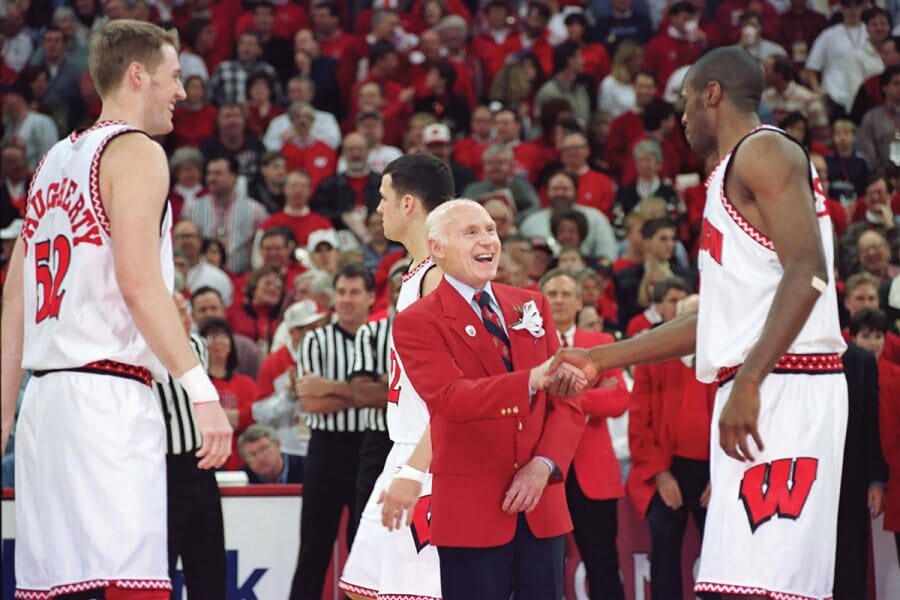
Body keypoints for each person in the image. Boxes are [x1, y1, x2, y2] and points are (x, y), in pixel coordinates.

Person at [552, 46, 848, 600]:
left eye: (686, 99)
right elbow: (714, 320)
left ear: (712, 93)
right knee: (729, 584)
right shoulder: (722, 179)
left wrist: (753, 379)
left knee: (772, 586)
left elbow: (810, 270)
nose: (682, 115)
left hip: (789, 382)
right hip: (761, 380)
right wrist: (598, 360)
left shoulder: (763, 151)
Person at [0, 19, 231, 598]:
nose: (181, 90)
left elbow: (13, 298)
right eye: (174, 76)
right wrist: (202, 392)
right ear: (138, 75)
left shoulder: (51, 161)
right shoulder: (135, 150)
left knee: (60, 590)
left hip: (45, 406)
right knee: (128, 588)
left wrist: (4, 415)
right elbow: (138, 283)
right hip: (105, 401)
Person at [392, 199, 588, 600]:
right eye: (471, 232)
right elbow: (450, 399)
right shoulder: (417, 320)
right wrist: (530, 381)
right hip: (471, 513)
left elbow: (566, 403)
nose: (488, 240)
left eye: (491, 230)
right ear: (436, 249)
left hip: (541, 506)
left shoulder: (532, 304)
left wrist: (544, 465)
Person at [339, 153, 454, 600]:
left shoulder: (440, 277)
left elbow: (454, 390)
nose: (377, 209)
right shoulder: (417, 274)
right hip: (404, 447)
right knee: (361, 588)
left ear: (409, 204)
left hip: (426, 456)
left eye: (383, 198)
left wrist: (415, 467)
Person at [289, 262, 376, 600]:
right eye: (341, 292)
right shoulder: (315, 339)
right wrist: (363, 394)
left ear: (371, 297)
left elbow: (387, 399)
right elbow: (311, 403)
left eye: (355, 292)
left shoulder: (383, 336)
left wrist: (329, 387)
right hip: (326, 450)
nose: (347, 299)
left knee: (364, 546)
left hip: (368, 448)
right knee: (314, 545)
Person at [540, 268, 628, 600]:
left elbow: (619, 399)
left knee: (603, 561)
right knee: (545, 565)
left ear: (580, 301)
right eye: (552, 293)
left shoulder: (602, 343)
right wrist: (591, 396)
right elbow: (527, 401)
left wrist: (564, 398)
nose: (559, 300)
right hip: (544, 472)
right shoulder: (530, 343)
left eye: (566, 294)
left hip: (593, 472)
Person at [156, 293, 226, 600]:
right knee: (161, 569)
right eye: (178, 312)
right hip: (160, 472)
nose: (185, 319)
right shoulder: (139, 353)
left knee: (209, 569)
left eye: (186, 312)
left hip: (199, 466)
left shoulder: (197, 346)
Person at [239, 423, 304, 484]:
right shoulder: (240, 478)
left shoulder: (306, 469)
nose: (260, 458)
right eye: (252, 454)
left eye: (264, 449)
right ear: (245, 459)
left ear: (277, 445)